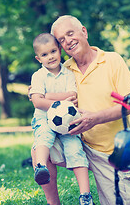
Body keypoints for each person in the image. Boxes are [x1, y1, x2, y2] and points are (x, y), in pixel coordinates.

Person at [31, 15, 130, 205]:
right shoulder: (62, 69)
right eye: (62, 40)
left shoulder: (112, 60)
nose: (68, 41)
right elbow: (40, 90)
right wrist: (35, 93)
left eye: (70, 34)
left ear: (84, 31)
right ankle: (53, 203)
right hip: (74, 140)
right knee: (40, 148)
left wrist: (95, 118)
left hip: (108, 152)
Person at [30, 33, 94, 205]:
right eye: (44, 55)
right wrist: (59, 101)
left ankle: (85, 195)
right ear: (38, 58)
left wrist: (48, 96)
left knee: (75, 149)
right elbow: (37, 102)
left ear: (59, 50)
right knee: (44, 136)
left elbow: (72, 96)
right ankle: (41, 167)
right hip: (44, 119)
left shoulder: (68, 74)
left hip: (67, 121)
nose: (50, 57)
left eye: (53, 51)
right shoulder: (38, 76)